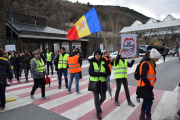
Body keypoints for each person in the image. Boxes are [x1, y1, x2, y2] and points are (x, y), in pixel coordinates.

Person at [137, 48, 161, 120]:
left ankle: (142, 117)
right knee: (149, 102)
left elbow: (150, 75)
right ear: (153, 57)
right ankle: (148, 117)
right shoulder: (146, 64)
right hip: (144, 86)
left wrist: (153, 79)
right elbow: (143, 76)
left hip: (146, 86)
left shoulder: (151, 64)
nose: (157, 60)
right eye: (157, 58)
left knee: (146, 101)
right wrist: (149, 85)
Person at [89, 49, 110, 120]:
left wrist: (107, 68)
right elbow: (91, 73)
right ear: (94, 55)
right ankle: (98, 111)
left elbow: (108, 73)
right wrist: (101, 74)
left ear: (101, 55)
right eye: (96, 54)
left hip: (103, 82)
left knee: (103, 97)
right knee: (96, 98)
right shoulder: (92, 62)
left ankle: (98, 106)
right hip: (95, 83)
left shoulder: (104, 61)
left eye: (98, 54)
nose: (97, 55)